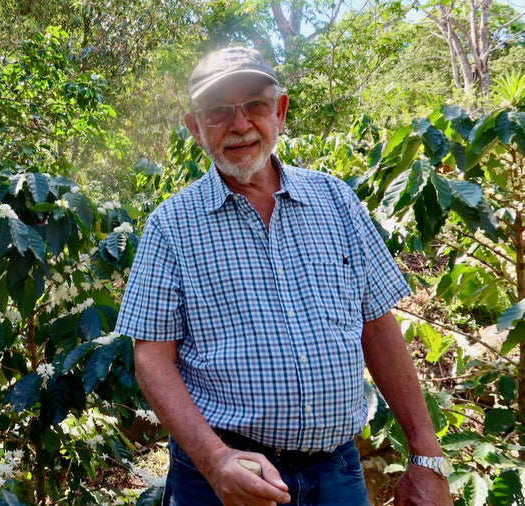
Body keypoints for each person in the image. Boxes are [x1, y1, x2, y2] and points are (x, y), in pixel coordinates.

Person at [115, 47, 453, 506]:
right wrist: (216, 460)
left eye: (254, 104)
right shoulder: (172, 225)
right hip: (227, 474)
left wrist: (426, 455)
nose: (239, 126)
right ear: (195, 129)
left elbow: (377, 325)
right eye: (218, 112)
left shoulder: (336, 201)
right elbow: (152, 359)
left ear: (280, 110)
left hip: (337, 471)